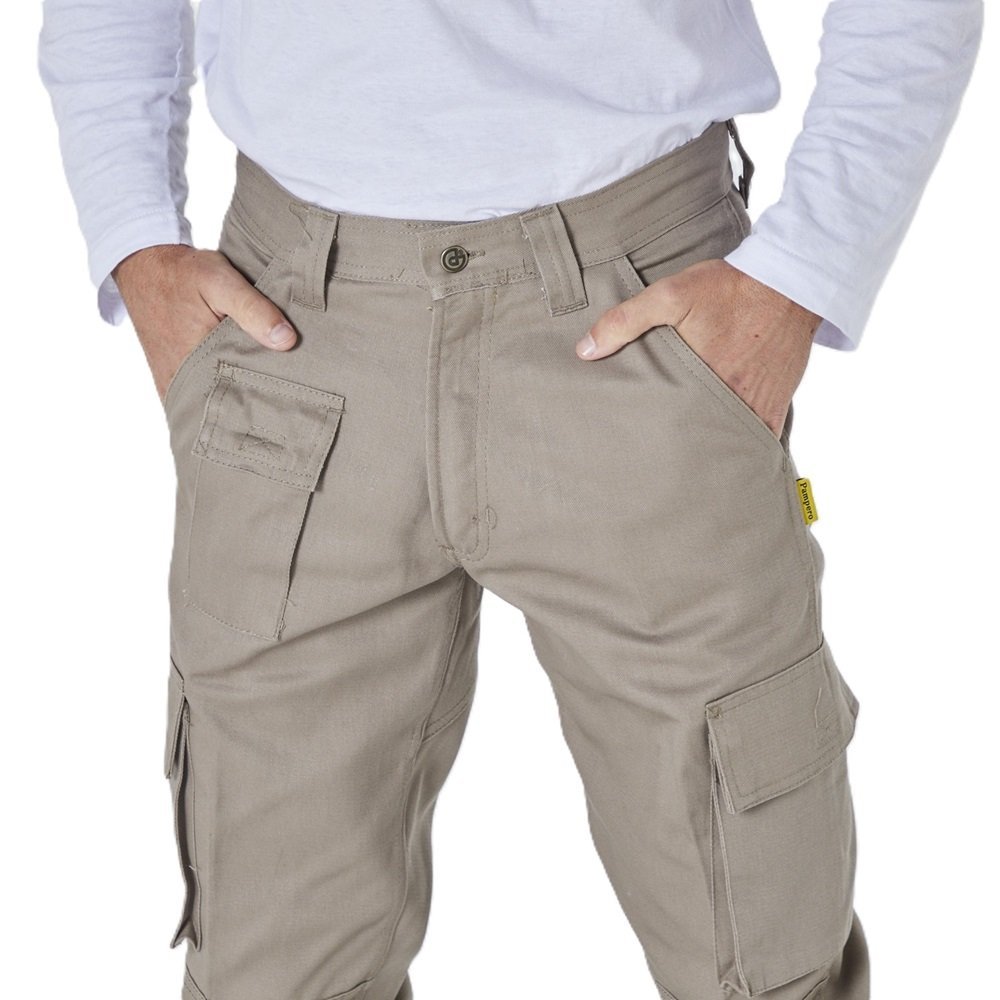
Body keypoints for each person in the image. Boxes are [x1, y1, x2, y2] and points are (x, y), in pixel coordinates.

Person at [37, 3, 983, 999]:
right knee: (267, 973)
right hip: (294, 326)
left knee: (761, 958)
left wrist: (800, 278)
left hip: (643, 309)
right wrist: (134, 239)